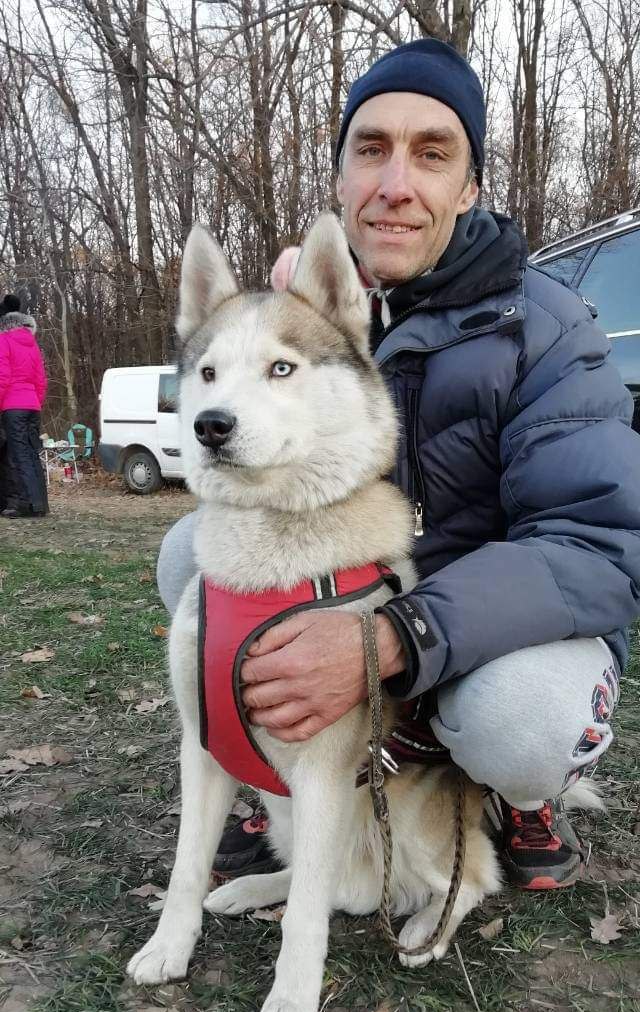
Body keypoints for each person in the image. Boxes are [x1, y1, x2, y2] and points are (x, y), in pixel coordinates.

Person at [157, 38, 640, 890]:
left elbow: (595, 548)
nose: (395, 184)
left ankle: (514, 794)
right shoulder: (310, 313)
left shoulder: (550, 328)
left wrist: (392, 637)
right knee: (188, 551)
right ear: (341, 176)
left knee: (519, 719)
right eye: (371, 149)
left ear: (470, 186)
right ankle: (286, 766)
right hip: (366, 590)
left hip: (488, 637)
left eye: (432, 153)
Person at [0, 292, 48, 518]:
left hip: (13, 406)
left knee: (17, 456)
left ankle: (22, 504)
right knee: (32, 453)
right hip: (32, 406)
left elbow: (3, 376)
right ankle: (40, 504)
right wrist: (35, 402)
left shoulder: (4, 340)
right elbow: (41, 380)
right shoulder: (32, 345)